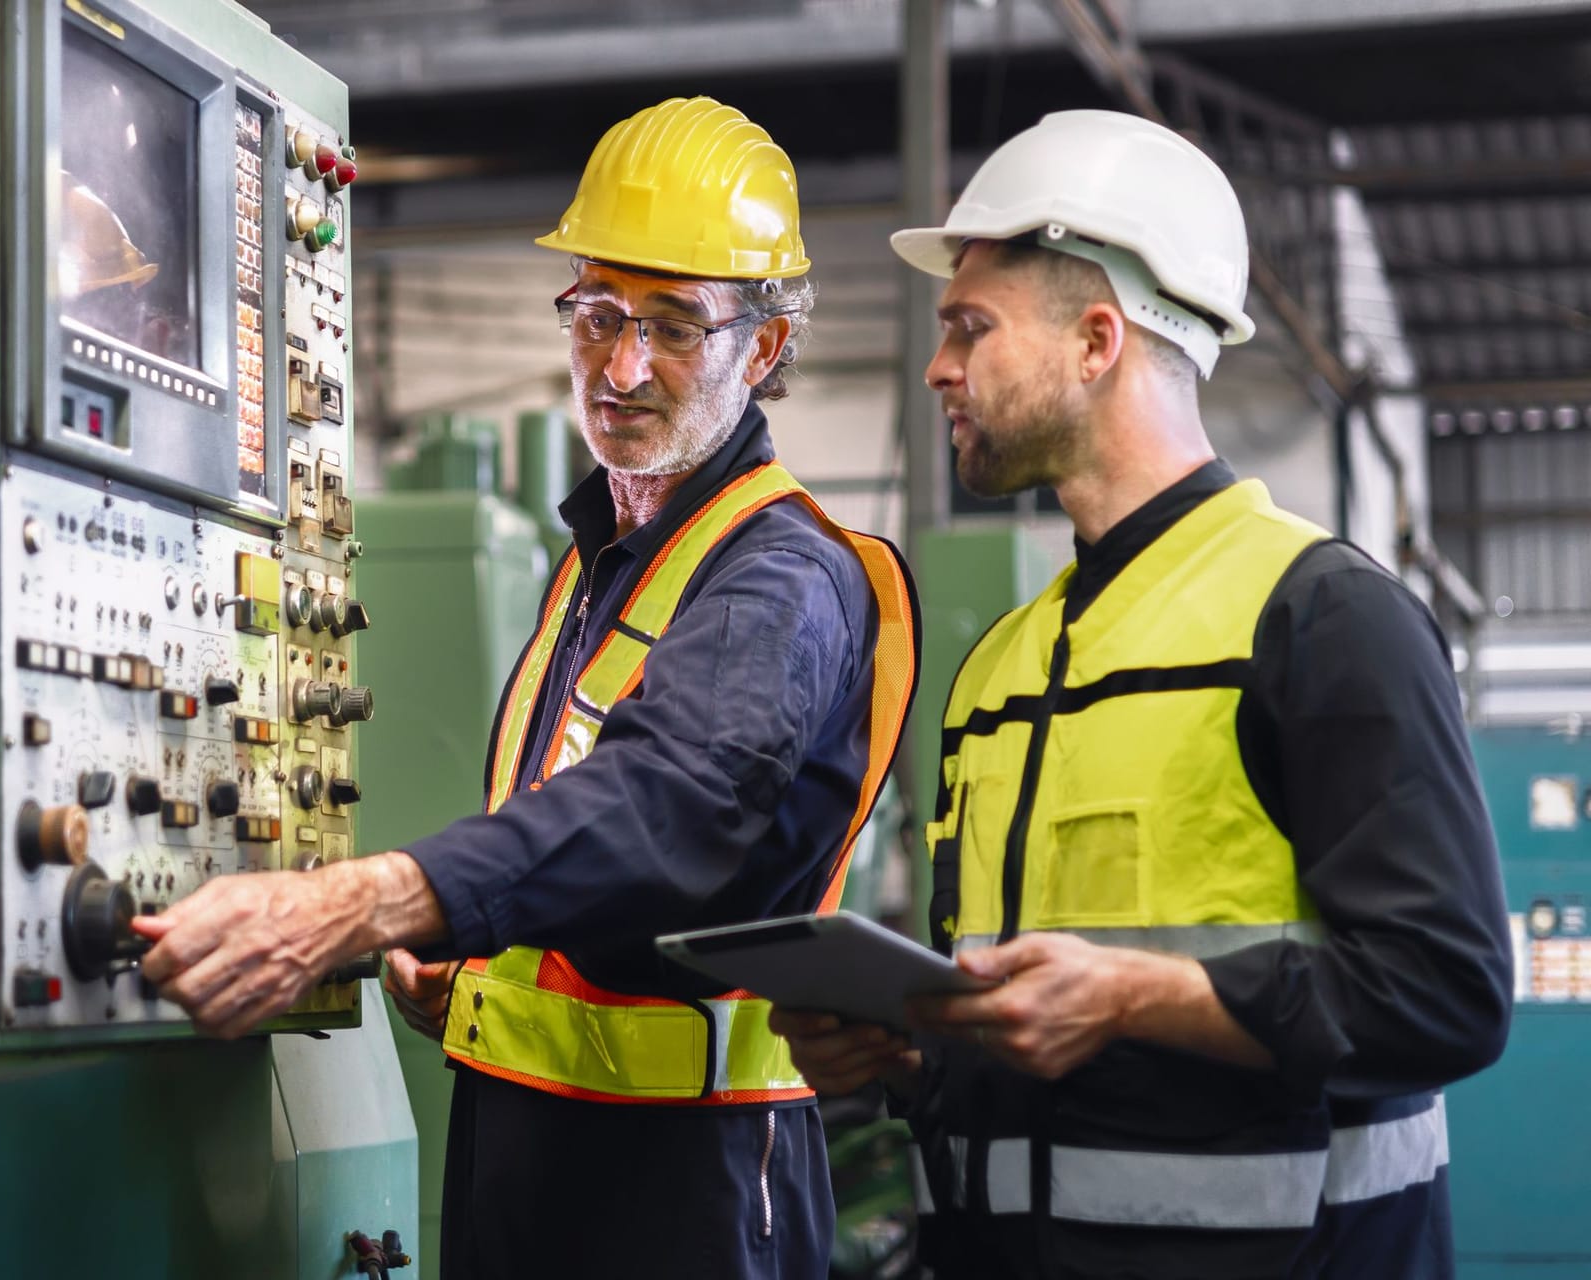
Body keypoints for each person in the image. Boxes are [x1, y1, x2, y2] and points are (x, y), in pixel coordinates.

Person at [135, 96, 919, 1278]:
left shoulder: (785, 577)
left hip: (688, 1200)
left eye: (672, 325)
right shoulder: (598, 562)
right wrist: (483, 983)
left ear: (761, 349)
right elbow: (585, 879)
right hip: (537, 1171)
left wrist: (366, 901)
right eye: (597, 313)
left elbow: (672, 802)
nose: (620, 365)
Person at [771, 109, 1513, 1278]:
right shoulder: (1001, 668)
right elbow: (1021, 1037)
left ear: (1097, 340)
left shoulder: (1323, 618)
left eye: (971, 326)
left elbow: (1449, 992)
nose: (936, 367)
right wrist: (908, 1056)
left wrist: (1135, 995)